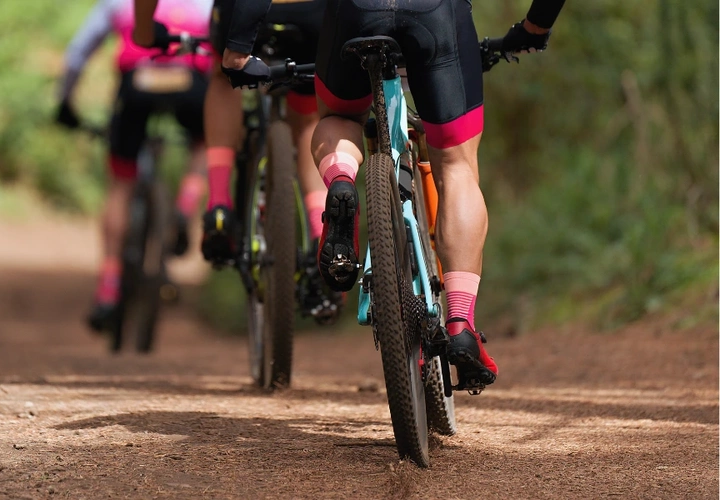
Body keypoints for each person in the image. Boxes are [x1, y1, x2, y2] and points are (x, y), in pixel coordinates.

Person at [219, 0, 566, 390]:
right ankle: (460, 321)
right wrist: (536, 27)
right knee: (455, 166)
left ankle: (342, 179)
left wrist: (236, 50)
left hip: (355, 13)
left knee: (340, 118)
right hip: (436, 14)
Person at [134, 0, 331, 271]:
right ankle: (320, 230)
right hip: (312, 12)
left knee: (222, 77)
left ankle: (218, 204)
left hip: (241, 13)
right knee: (308, 117)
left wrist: (143, 31)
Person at [55, 0, 214, 332]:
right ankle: (185, 205)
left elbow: (77, 54)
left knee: (121, 184)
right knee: (203, 142)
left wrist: (65, 103)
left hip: (137, 82)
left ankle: (109, 288)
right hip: (190, 80)